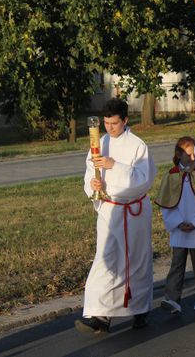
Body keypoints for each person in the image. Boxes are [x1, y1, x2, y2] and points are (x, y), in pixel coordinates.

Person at [75, 98, 157, 334]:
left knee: (136, 261)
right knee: (106, 258)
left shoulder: (138, 146)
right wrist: (93, 185)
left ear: (125, 121)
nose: (109, 128)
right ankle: (98, 314)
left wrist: (114, 166)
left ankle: (139, 308)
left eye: (114, 123)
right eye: (106, 123)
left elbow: (143, 180)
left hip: (134, 210)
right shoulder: (99, 142)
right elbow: (90, 171)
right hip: (110, 209)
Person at [155, 136, 195, 314]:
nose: (193, 158)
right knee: (177, 264)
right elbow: (166, 203)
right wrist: (177, 223)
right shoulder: (171, 176)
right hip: (179, 229)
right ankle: (172, 298)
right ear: (179, 154)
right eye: (189, 154)